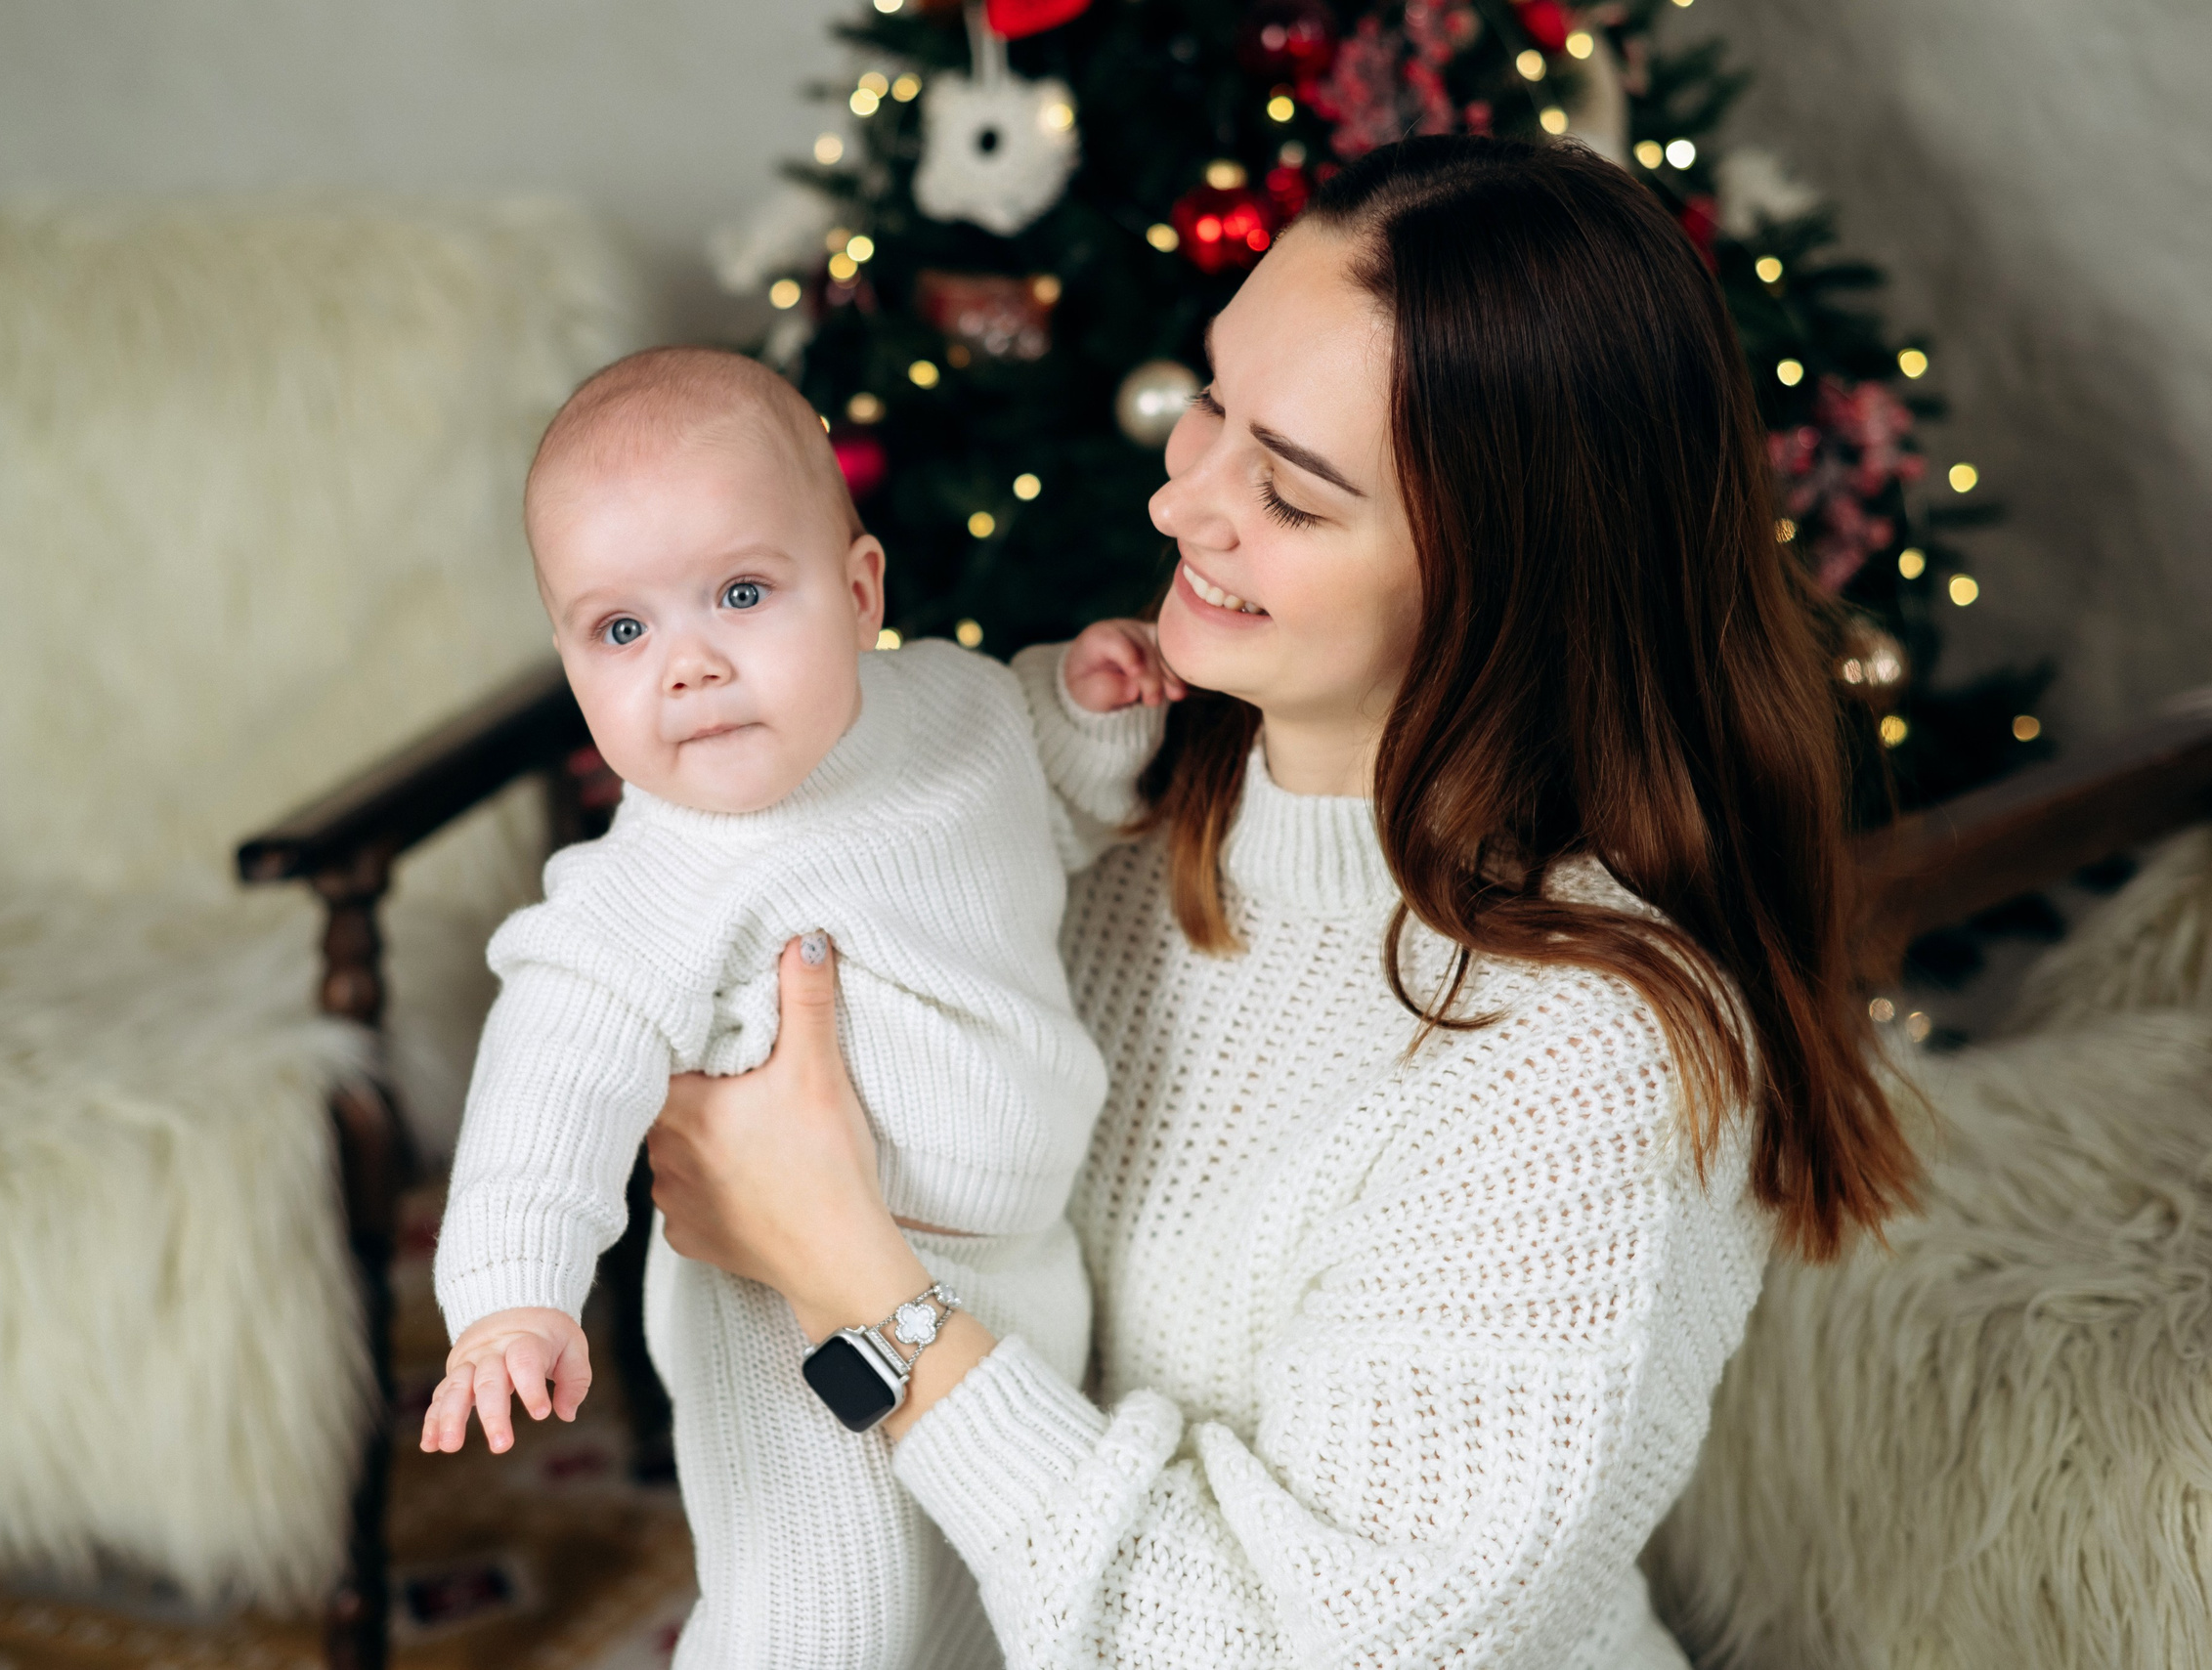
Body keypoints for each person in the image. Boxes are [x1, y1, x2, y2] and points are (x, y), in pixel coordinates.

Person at [644, 135, 1920, 1670]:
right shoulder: (1098, 785)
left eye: (1293, 496)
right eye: (1210, 405)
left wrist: (852, 1283)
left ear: (1506, 579)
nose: (1185, 503)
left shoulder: (1592, 1064)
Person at [416, 345, 1188, 1670]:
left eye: (740, 592)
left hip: (1019, 1263)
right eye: (621, 629)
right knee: (818, 1623)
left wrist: (1088, 709)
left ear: (858, 588)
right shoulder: (652, 872)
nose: (688, 665)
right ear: (570, 657)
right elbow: (552, 1075)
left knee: (975, 1605)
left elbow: (1047, 804)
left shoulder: (959, 707)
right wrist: (509, 1296)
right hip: (780, 1305)